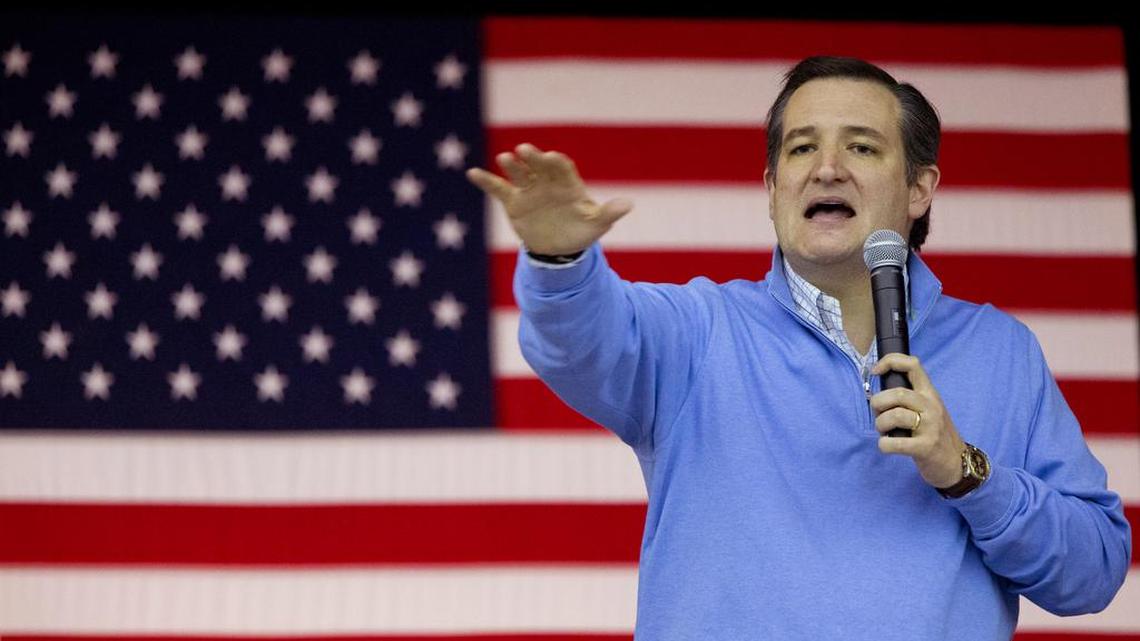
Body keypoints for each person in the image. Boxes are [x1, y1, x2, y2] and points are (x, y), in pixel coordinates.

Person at [466, 56, 1131, 639]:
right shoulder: (699, 331)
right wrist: (559, 258)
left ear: (920, 189)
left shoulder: (1002, 351)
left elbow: (1094, 572)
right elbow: (580, 343)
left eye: (863, 148)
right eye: (802, 148)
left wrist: (964, 469)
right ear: (771, 186)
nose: (827, 169)